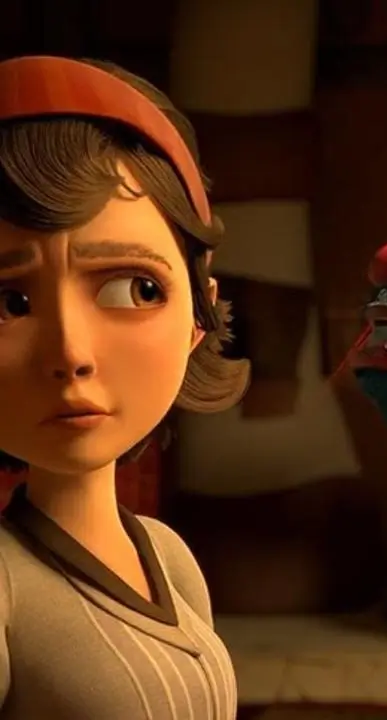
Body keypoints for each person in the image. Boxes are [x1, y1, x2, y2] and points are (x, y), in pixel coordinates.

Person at [0, 56, 248, 719]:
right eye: (9, 303)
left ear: (199, 312)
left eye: (135, 290)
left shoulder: (168, 558)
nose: (70, 354)